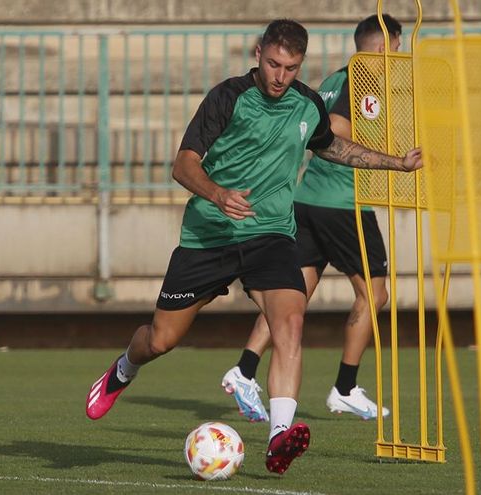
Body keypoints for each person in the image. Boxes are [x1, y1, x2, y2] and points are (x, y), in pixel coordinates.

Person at [85, 19, 422, 476]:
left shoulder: (306, 104)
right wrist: (217, 193)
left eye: (291, 67)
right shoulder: (227, 97)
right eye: (273, 64)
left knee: (291, 320)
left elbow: (333, 148)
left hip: (270, 235)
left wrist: (396, 164)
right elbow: (183, 165)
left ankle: (280, 434)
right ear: (258, 52)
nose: (280, 76)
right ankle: (124, 368)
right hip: (209, 235)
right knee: (161, 339)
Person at [221, 14, 403, 423]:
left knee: (291, 293)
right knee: (375, 296)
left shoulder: (338, 77)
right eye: (396, 48)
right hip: (343, 200)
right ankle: (345, 388)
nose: (398, 56)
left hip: (307, 199)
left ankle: (245, 369)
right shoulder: (365, 80)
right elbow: (335, 127)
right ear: (381, 48)